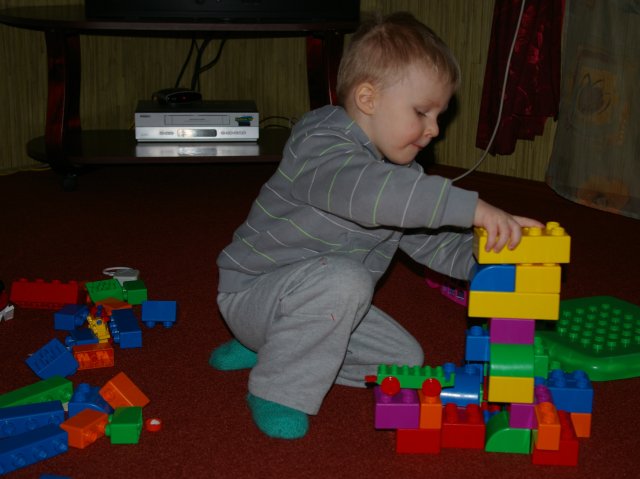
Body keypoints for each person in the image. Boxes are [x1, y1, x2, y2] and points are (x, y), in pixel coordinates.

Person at [210, 11, 543, 440]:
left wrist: (484, 257)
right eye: (422, 112)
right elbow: (373, 191)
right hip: (252, 294)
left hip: (315, 306)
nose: (433, 130)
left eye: (438, 116)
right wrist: (472, 208)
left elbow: (432, 241)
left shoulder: (401, 181)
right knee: (346, 280)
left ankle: (276, 347)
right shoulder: (320, 143)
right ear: (368, 99)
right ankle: (278, 388)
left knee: (403, 360)